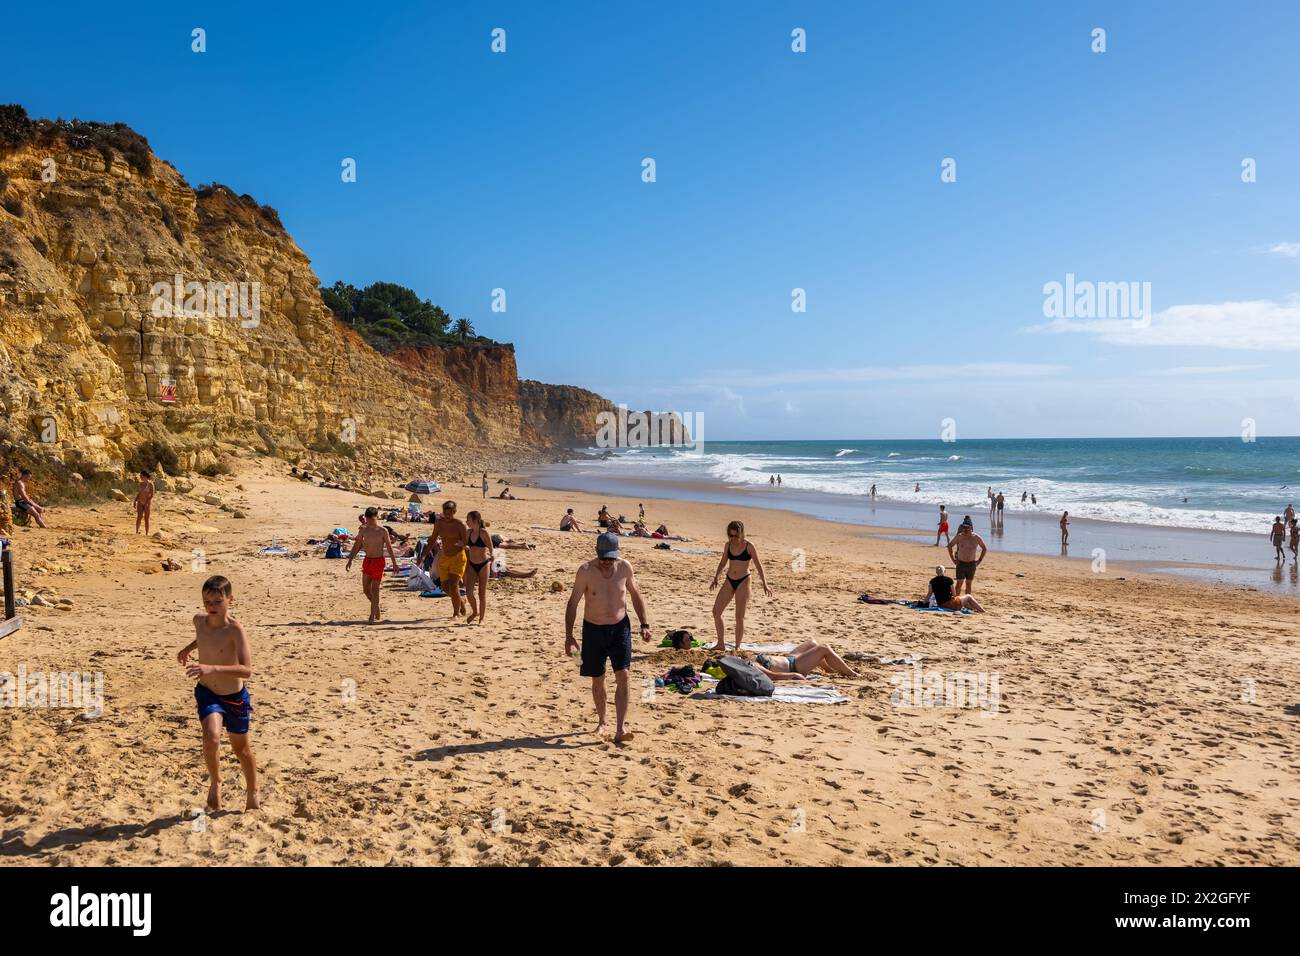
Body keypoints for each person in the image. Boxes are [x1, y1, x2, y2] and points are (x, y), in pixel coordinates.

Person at [176, 575, 257, 811]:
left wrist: (211, 667)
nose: (212, 607)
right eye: (207, 602)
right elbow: (205, 638)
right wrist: (187, 649)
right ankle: (216, 782)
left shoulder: (235, 630)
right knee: (211, 737)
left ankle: (252, 790)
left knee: (241, 749)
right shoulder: (199, 621)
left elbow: (247, 670)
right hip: (207, 692)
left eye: (217, 602)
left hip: (234, 698)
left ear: (230, 600)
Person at [564, 532, 652, 743]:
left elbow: (635, 595)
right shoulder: (585, 571)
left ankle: (620, 728)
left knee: (624, 676)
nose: (606, 562)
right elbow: (573, 603)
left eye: (610, 558)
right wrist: (569, 636)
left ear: (616, 555)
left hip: (620, 628)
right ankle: (602, 722)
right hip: (593, 630)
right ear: (597, 553)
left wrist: (644, 624)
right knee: (598, 679)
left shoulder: (624, 567)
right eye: (603, 558)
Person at [709, 520, 773, 653]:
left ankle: (737, 646)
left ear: (741, 534)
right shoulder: (728, 545)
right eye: (730, 536)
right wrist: (716, 577)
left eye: (735, 536)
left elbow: (758, 565)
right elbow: (722, 563)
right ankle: (721, 643)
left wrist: (765, 584)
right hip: (729, 579)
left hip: (744, 581)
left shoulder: (749, 546)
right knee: (716, 611)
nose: (732, 539)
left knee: (739, 616)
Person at [346, 507, 399, 623]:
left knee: (375, 589)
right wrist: (350, 559)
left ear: (376, 518)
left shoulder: (383, 531)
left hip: (378, 561)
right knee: (366, 589)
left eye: (371, 519)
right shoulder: (363, 530)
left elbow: (389, 548)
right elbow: (357, 545)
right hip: (367, 560)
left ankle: (372, 616)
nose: (369, 521)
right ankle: (376, 606)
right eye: (367, 519)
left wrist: (395, 564)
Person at [753, 639, 859, 679]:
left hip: (789, 659)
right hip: (794, 667)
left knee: (812, 643)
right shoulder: (750, 666)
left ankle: (828, 669)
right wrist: (794, 675)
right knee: (824, 648)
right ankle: (851, 674)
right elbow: (773, 676)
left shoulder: (747, 660)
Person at [435, 500, 469, 619]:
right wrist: (423, 556)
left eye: (450, 513)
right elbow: (433, 538)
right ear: (443, 511)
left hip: (458, 557)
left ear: (454, 512)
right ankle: (461, 601)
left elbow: (466, 544)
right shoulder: (439, 523)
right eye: (446, 513)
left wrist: (463, 545)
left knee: (454, 585)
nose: (448, 516)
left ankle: (456, 613)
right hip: (445, 557)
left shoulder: (460, 525)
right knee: (445, 587)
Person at [463, 511, 493, 625]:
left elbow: (491, 547)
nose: (466, 522)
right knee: (469, 592)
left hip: (484, 565)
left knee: (482, 594)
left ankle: (482, 619)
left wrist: (493, 556)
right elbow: (465, 545)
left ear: (475, 521)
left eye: (468, 520)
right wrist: (463, 546)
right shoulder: (468, 532)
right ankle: (475, 612)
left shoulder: (484, 533)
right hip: (471, 564)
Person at [947, 521, 987, 595]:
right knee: (959, 584)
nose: (965, 529)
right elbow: (950, 546)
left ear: (971, 528)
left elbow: (984, 548)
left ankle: (967, 602)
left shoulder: (976, 537)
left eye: (967, 527)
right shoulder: (959, 536)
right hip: (961, 563)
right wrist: (953, 559)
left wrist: (979, 561)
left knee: (968, 585)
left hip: (971, 564)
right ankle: (956, 601)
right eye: (964, 527)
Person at [134, 470, 155, 535]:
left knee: (146, 518)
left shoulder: (151, 484)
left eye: (141, 476)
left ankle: (146, 533)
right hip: (140, 502)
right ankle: (137, 531)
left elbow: (152, 495)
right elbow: (139, 493)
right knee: (139, 517)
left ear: (145, 476)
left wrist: (146, 503)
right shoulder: (140, 484)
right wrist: (135, 501)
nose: (140, 477)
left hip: (147, 503)